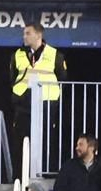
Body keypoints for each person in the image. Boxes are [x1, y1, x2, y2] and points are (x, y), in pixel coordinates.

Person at [9, 22, 65, 175]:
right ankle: (19, 177)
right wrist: (18, 96)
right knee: (20, 142)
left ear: (39, 35)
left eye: (28, 33)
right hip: (23, 105)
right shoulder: (17, 55)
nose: (24, 36)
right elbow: (12, 78)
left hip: (46, 104)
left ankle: (44, 174)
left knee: (46, 141)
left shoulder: (55, 55)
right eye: (24, 33)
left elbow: (62, 78)